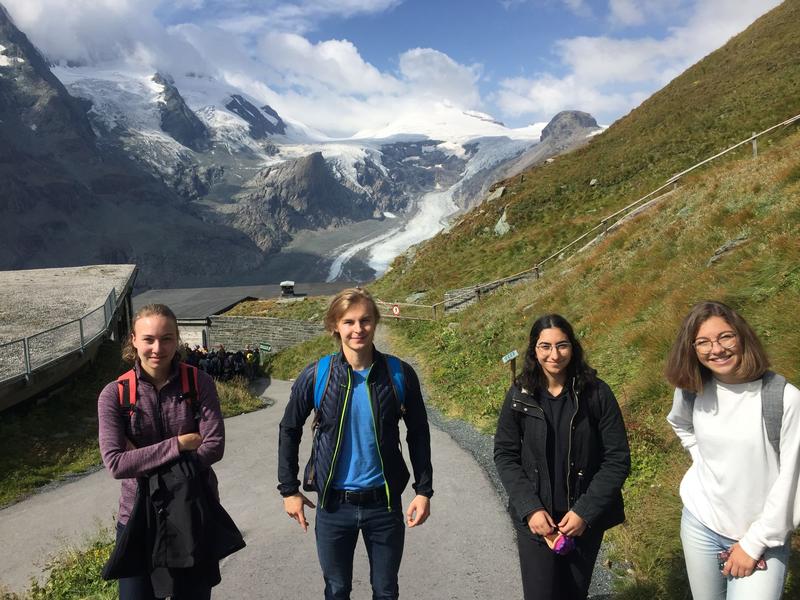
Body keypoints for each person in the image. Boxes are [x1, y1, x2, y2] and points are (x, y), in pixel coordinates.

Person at [277, 287, 434, 600]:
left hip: (384, 505)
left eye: (365, 320)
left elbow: (418, 432)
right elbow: (289, 429)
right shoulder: (318, 374)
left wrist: (423, 491)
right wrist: (289, 490)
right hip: (334, 506)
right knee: (336, 590)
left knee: (386, 591)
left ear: (375, 322)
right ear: (335, 326)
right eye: (348, 322)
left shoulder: (399, 374)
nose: (358, 329)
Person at [665, 300, 800, 599]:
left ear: (742, 336)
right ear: (692, 348)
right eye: (703, 342)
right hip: (700, 524)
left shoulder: (784, 398)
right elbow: (680, 423)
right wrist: (700, 456)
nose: (716, 349)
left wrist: (753, 544)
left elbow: (793, 482)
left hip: (762, 538)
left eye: (725, 337)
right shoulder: (692, 388)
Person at [494, 314, 630, 600]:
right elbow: (505, 454)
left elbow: (617, 459)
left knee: (573, 593)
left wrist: (585, 512)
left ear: (573, 347)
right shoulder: (520, 393)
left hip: (581, 521)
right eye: (545, 346)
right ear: (534, 350)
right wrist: (530, 508)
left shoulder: (597, 393)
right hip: (537, 520)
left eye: (562, 345)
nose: (554, 355)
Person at [97, 303, 226, 600]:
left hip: (193, 511)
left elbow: (214, 447)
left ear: (177, 339)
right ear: (133, 340)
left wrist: (141, 458)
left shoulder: (200, 383)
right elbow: (116, 464)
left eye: (167, 338)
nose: (158, 348)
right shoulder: (114, 395)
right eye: (149, 339)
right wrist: (179, 444)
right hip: (138, 518)